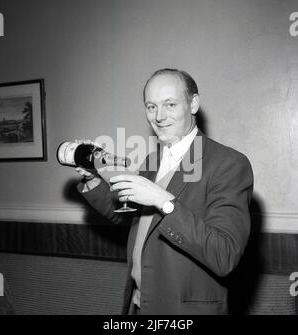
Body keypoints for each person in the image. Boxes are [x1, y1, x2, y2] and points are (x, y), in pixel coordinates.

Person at [76, 68, 254, 315]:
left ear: (193, 104)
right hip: (139, 305)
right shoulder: (152, 161)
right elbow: (126, 217)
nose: (159, 116)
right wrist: (94, 179)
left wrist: (163, 200)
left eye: (170, 104)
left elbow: (224, 256)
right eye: (151, 107)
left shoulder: (229, 163)